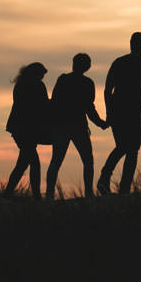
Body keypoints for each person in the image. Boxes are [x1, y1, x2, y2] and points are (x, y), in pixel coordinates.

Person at [97, 32, 141, 195]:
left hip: (120, 110)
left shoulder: (119, 62)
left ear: (131, 44)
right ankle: (113, 182)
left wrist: (109, 111)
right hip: (133, 112)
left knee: (125, 148)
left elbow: (107, 90)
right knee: (130, 150)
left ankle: (112, 181)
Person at [45, 53, 109, 199]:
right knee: (88, 160)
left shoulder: (63, 79)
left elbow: (54, 102)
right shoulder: (87, 83)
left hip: (60, 125)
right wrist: (100, 123)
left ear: (74, 64)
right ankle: (88, 193)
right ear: (87, 67)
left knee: (56, 160)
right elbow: (89, 107)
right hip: (78, 126)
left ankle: (49, 195)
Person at [3, 62, 49, 199]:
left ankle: (7, 195)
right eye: (41, 75)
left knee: (23, 163)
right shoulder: (36, 86)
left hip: (20, 128)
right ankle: (35, 197)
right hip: (25, 129)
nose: (42, 78)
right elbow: (43, 105)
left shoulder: (20, 85)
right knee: (33, 162)